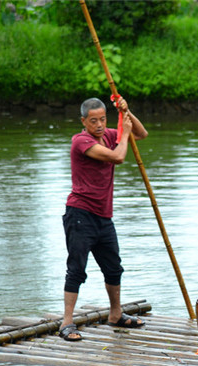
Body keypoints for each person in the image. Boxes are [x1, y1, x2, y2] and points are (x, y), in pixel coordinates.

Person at [59, 96, 149, 341]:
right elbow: (118, 157)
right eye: (93, 121)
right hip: (80, 215)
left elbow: (141, 134)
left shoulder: (110, 135)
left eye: (103, 119)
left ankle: (115, 314)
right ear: (84, 122)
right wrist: (124, 133)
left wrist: (127, 113)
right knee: (76, 270)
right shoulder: (81, 141)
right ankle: (67, 323)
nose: (99, 125)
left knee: (113, 268)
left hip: (103, 216)